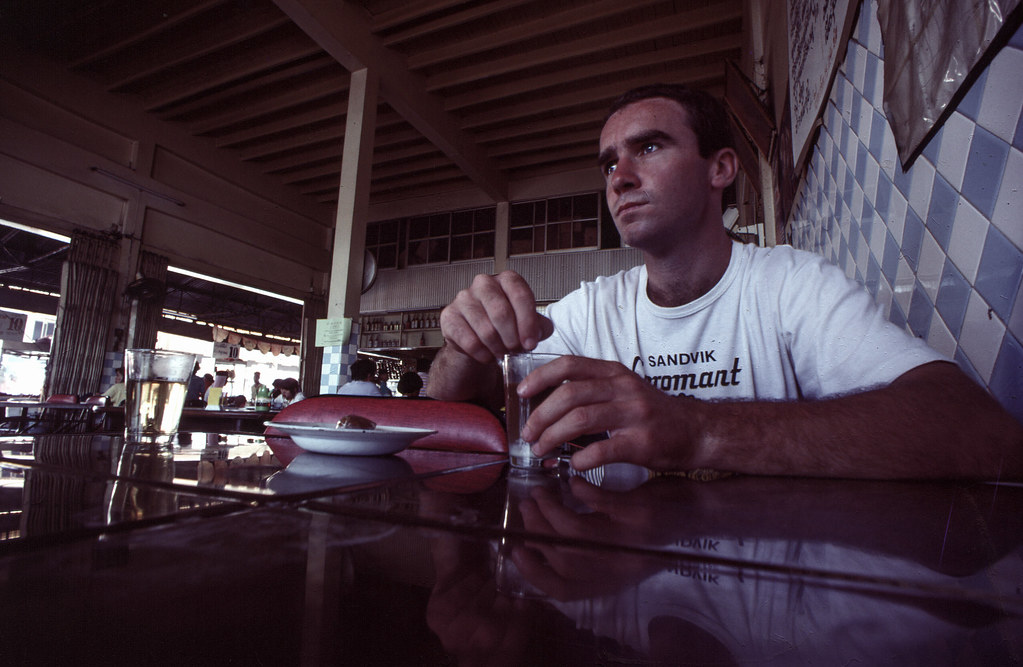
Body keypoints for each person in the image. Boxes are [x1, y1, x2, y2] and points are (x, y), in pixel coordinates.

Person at [427, 83, 1023, 480]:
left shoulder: (790, 284)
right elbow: (448, 418)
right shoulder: (590, 311)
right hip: (622, 584)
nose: (619, 178)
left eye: (648, 147)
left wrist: (697, 431)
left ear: (721, 168)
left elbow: (977, 430)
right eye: (608, 163)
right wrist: (462, 348)